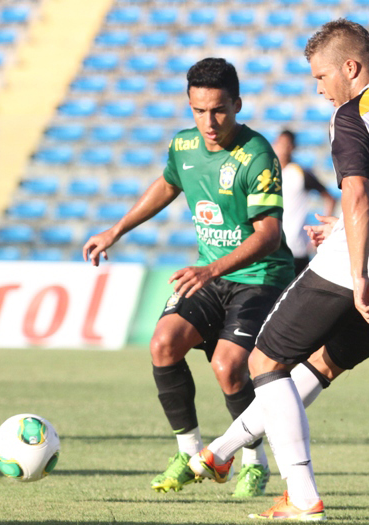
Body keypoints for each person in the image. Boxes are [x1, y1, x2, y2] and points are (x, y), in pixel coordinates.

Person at [188, 19, 369, 521]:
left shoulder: (353, 115)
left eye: (322, 77)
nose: (320, 89)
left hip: (358, 273)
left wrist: (357, 263)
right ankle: (220, 453)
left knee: (264, 364)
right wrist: (344, 226)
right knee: (319, 367)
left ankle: (302, 496)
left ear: (351, 68)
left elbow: (358, 192)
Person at [83, 58, 294, 497]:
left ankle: (254, 461)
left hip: (260, 277)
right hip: (210, 274)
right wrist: (115, 230)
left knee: (229, 368)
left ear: (237, 104)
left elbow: (270, 236)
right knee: (163, 344)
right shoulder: (184, 146)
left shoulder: (256, 155)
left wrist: (211, 268)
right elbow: (167, 184)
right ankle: (188, 451)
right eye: (198, 111)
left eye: (218, 110)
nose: (209, 122)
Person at [274, 130, 336, 275]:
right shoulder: (267, 173)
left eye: (287, 144)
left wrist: (323, 228)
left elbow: (329, 198)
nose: (283, 148)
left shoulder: (300, 173)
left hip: (296, 249)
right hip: (273, 247)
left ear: (293, 147)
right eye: (280, 144)